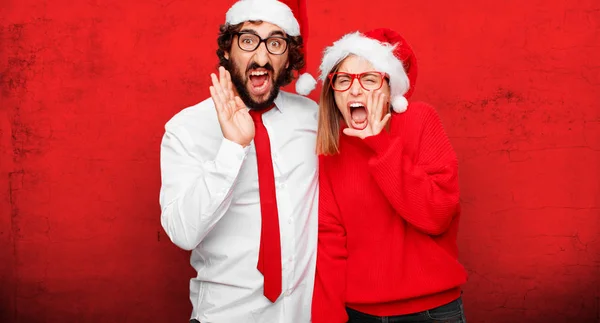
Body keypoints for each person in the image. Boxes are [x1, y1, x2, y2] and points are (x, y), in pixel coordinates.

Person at [158, 0, 320, 322]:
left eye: (276, 43)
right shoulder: (186, 128)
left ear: (289, 57)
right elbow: (182, 232)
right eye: (248, 40)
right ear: (228, 50)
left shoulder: (313, 120)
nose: (261, 57)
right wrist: (233, 147)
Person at [310, 28, 469, 323]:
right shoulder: (329, 149)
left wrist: (380, 145)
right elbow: (329, 243)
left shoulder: (420, 120)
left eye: (369, 79)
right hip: (359, 314)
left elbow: (435, 217)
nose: (355, 90)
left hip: (431, 312)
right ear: (332, 94)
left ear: (389, 90)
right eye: (343, 80)